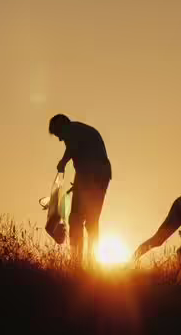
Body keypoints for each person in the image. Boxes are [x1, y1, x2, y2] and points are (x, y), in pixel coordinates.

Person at [49, 114, 112, 267]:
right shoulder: (81, 131)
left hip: (92, 176)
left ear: (63, 126)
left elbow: (72, 148)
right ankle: (91, 262)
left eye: (59, 134)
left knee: (76, 219)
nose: (60, 140)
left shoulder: (72, 130)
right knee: (91, 221)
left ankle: (77, 262)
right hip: (98, 176)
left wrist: (63, 162)